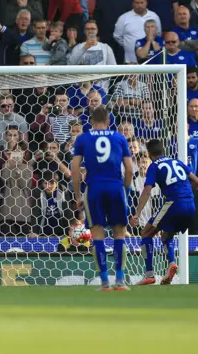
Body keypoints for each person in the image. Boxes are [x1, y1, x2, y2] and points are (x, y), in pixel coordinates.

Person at [72, 106, 133, 291]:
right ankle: (120, 281)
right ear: (108, 121)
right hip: (115, 187)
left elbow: (75, 170)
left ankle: (105, 282)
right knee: (119, 234)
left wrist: (77, 196)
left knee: (97, 235)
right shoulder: (119, 137)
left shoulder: (82, 139)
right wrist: (127, 190)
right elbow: (129, 169)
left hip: (94, 188)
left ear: (91, 122)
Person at [130, 139, 198, 285]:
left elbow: (147, 191)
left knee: (146, 233)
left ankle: (149, 273)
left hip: (174, 203)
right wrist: (186, 194)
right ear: (163, 150)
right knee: (166, 234)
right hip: (190, 205)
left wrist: (137, 213)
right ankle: (171, 264)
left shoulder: (154, 166)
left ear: (149, 154)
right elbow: (197, 181)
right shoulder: (177, 162)